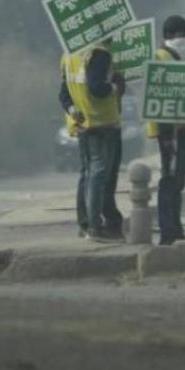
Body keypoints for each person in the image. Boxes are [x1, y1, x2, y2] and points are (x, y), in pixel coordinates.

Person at [59, 40, 125, 242]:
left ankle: (85, 224)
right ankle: (96, 227)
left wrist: (73, 111)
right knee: (99, 173)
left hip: (82, 123)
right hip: (102, 123)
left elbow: (63, 94)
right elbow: (97, 88)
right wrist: (115, 86)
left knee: (86, 173)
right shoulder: (99, 54)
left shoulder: (69, 55)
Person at [147, 15, 185, 245]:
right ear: (169, 37)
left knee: (177, 181)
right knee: (170, 180)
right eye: (181, 35)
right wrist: (166, 134)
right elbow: (159, 94)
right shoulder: (162, 58)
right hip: (171, 132)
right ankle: (169, 231)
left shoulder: (175, 58)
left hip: (181, 128)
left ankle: (175, 229)